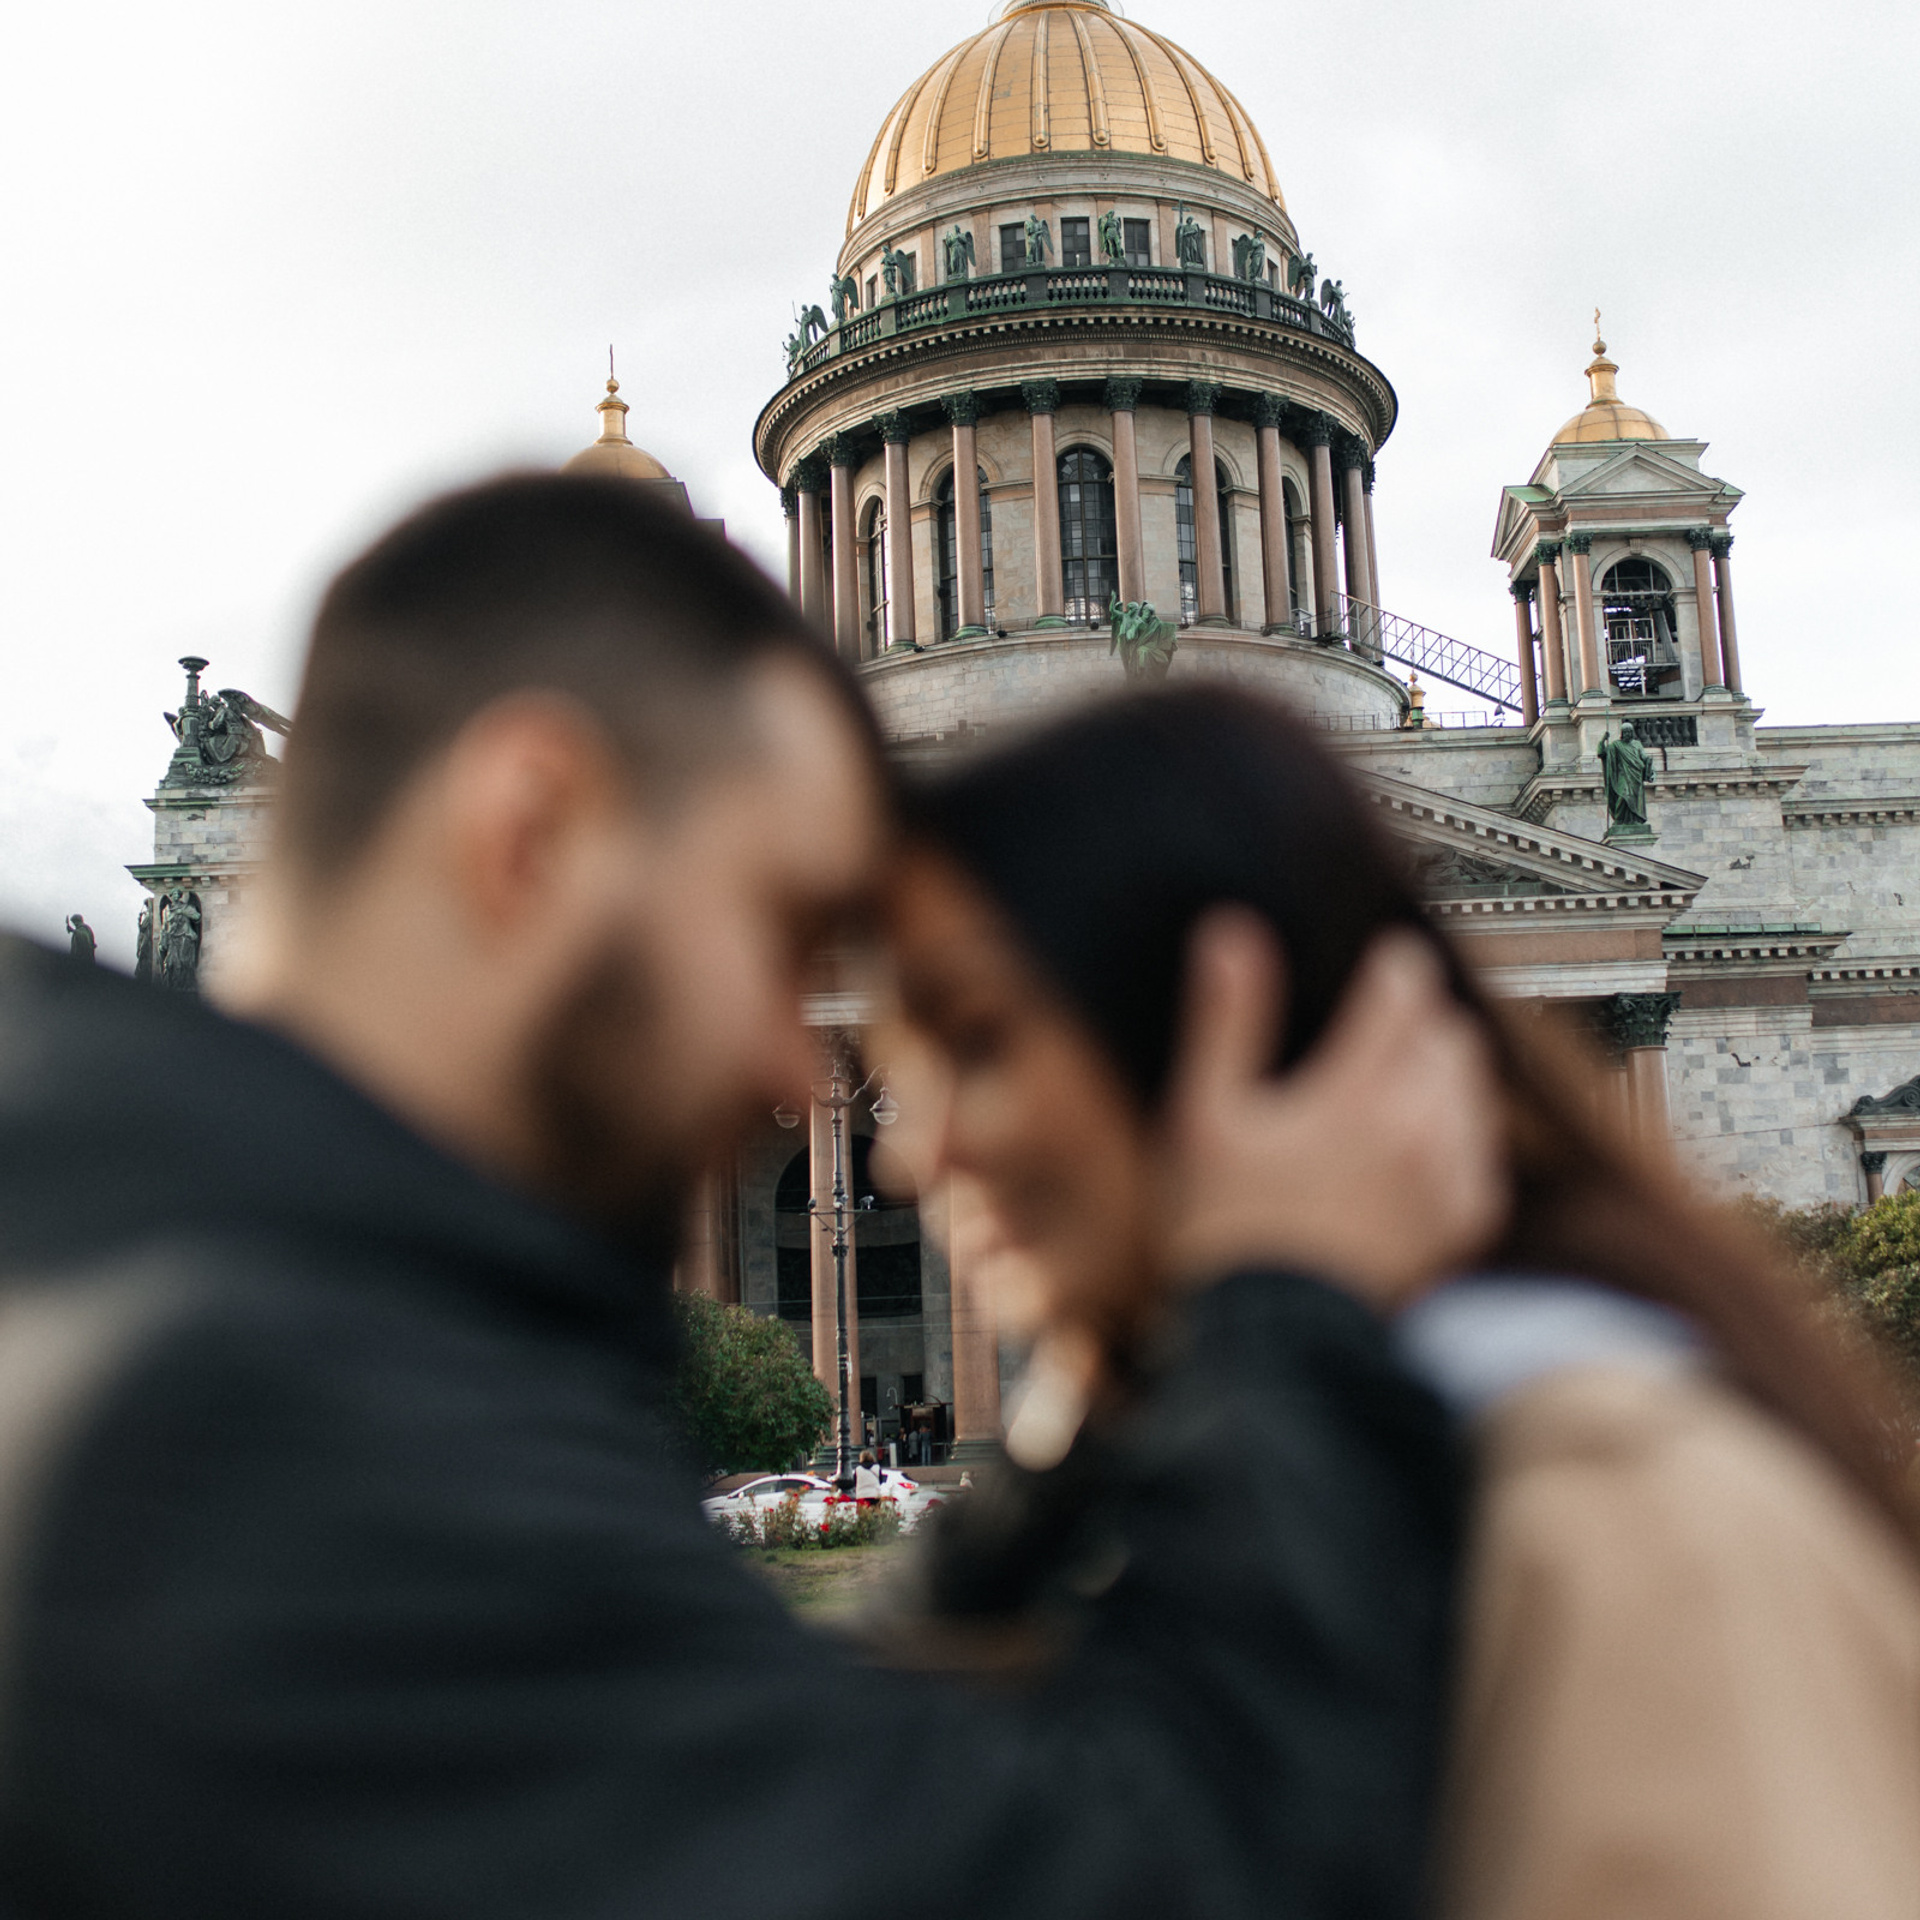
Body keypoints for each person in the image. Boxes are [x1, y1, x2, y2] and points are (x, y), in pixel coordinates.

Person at [0, 473, 1506, 1920]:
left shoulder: (161, 1260)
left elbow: (792, 1781)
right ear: (533, 826)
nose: (798, 1056)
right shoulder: (251, 1420)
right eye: (777, 926)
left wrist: (1070, 1446)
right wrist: (1286, 1306)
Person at [878, 684, 1920, 1919]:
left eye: (978, 1042)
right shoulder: (1203, 1467)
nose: (910, 1153)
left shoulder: (1617, 1514)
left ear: (1225, 1012)